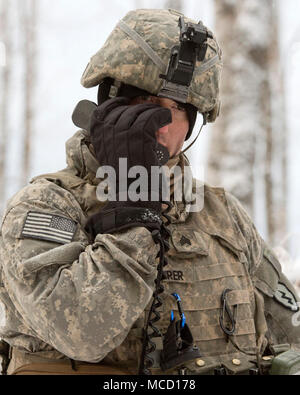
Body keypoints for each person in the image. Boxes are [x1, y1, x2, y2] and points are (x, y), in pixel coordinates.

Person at [0, 8, 299, 376]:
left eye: (174, 108)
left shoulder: (222, 214)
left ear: (190, 124)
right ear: (108, 103)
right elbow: (83, 331)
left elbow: (292, 333)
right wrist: (134, 205)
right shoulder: (46, 207)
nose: (160, 124)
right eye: (145, 104)